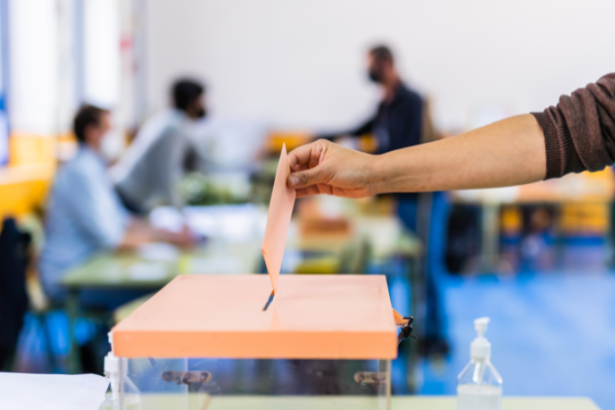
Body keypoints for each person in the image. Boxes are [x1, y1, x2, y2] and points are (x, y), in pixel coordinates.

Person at [285, 73, 615, 209]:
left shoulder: (410, 101)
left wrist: (372, 172)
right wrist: (370, 172)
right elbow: (562, 134)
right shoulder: (385, 104)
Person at [322, 45, 448, 354]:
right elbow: (359, 128)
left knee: (427, 267)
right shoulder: (385, 104)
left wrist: (359, 162)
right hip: (402, 199)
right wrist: (324, 139)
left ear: (387, 64)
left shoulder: (412, 102)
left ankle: (437, 336)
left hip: (425, 198)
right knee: (406, 267)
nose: (369, 71)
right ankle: (410, 333)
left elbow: (402, 150)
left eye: (372, 65)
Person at [39, 105, 193, 309]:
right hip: (68, 277)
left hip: (91, 266)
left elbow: (122, 220)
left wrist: (166, 232)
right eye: (108, 129)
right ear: (92, 132)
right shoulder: (81, 172)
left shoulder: (93, 167)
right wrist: (168, 238)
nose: (113, 136)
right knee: (159, 294)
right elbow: (113, 239)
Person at [111, 79, 207, 213]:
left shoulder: (169, 120)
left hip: (127, 193)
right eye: (201, 100)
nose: (204, 105)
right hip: (128, 195)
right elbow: (167, 174)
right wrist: (180, 212)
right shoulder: (174, 127)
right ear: (192, 101)